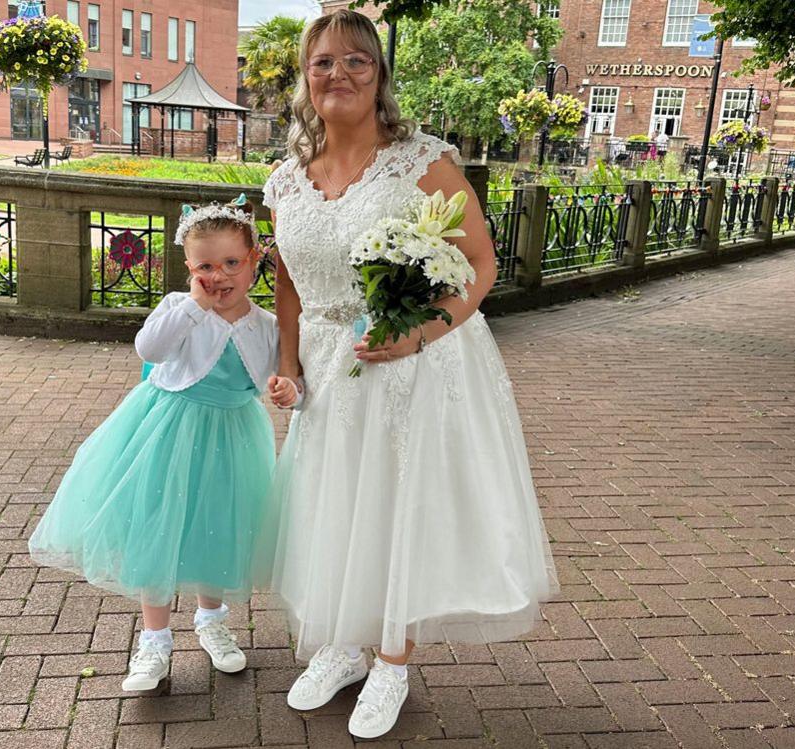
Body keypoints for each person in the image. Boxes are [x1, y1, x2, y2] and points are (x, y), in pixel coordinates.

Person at [262, 9, 558, 741]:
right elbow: (290, 282)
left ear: (379, 76)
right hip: (329, 371)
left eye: (357, 61)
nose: (339, 74)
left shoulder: (422, 162)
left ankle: (392, 658)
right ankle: (341, 643)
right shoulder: (284, 180)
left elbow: (481, 263)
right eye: (323, 61)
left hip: (410, 365)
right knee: (331, 504)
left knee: (397, 507)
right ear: (306, 77)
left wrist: (418, 333)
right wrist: (287, 362)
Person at [29, 195, 300, 692]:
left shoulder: (266, 326)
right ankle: (154, 641)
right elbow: (149, 348)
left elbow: (279, 378)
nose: (218, 276)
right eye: (205, 266)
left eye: (232, 263)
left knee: (218, 523)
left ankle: (211, 621)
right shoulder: (179, 306)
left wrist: (287, 389)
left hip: (233, 436)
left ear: (256, 258)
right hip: (167, 430)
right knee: (157, 525)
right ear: (189, 267)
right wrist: (195, 305)